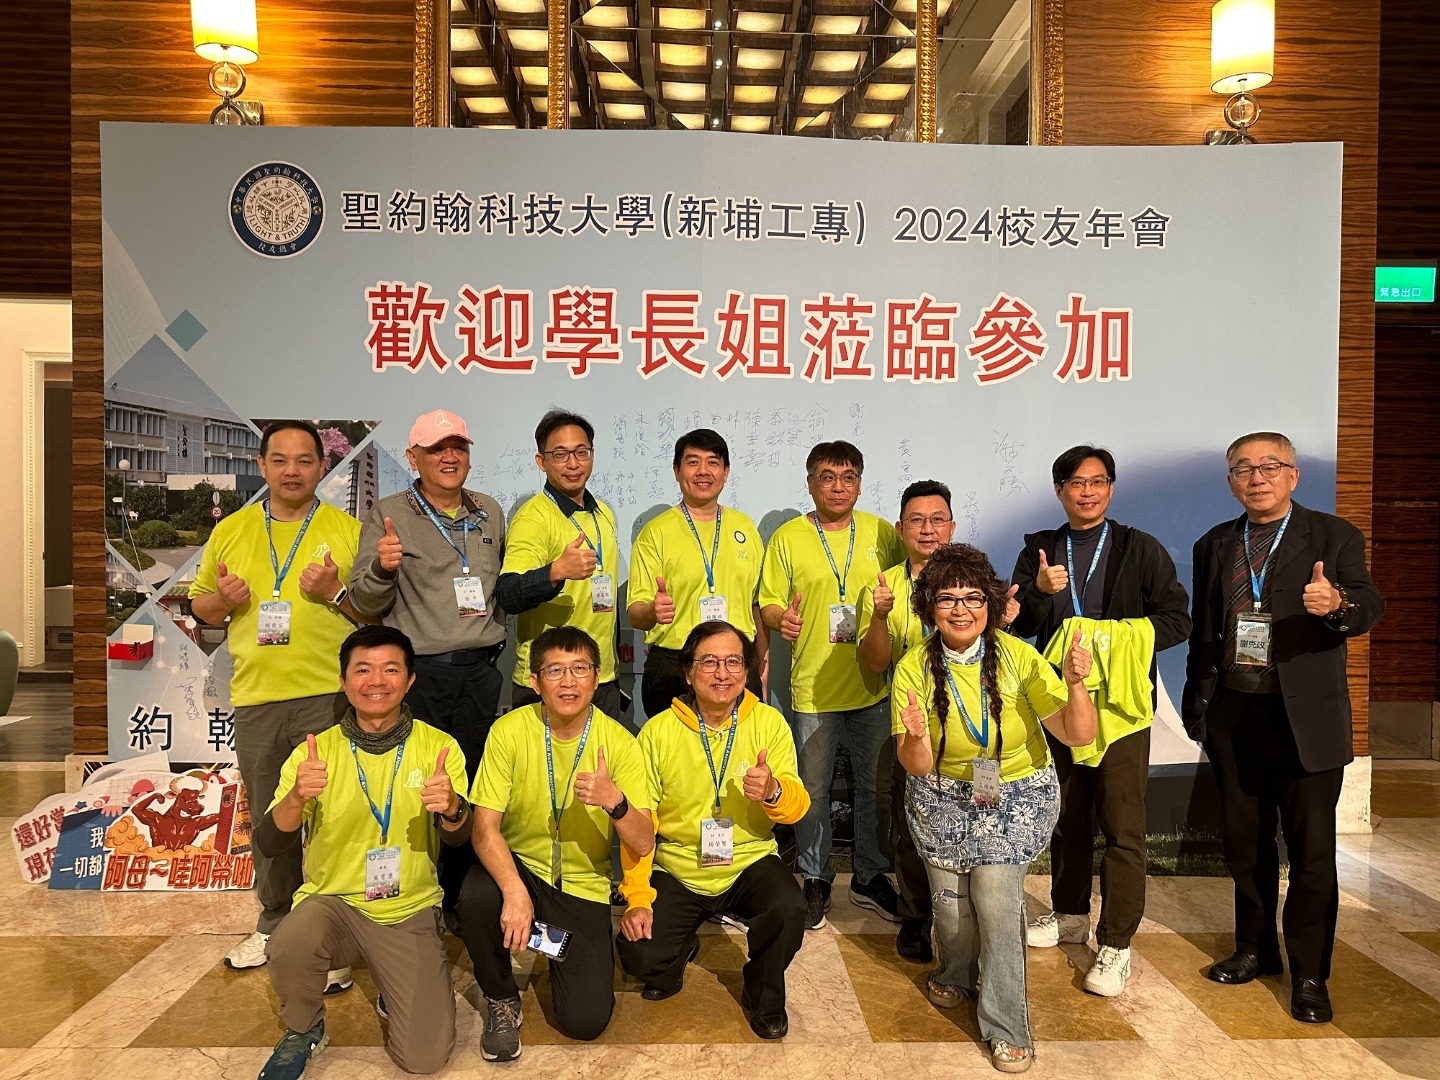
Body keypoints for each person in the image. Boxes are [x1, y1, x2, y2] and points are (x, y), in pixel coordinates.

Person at [1182, 432, 1383, 1024]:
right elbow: (1206, 632)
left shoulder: (1334, 535)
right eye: (1243, 469)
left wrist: (1337, 604)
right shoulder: (1214, 543)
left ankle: (1310, 974)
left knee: (1311, 851)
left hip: (1306, 718)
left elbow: (1370, 605)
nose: (1257, 477)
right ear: (1231, 483)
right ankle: (1254, 949)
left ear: (1293, 476)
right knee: (1245, 845)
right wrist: (1199, 706)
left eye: (1270, 466)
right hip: (1234, 713)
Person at [893, 544, 1096, 1073]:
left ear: (991, 604)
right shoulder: (913, 667)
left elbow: (1077, 734)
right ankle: (956, 973)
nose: (961, 609)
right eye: (947, 598)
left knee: (996, 903)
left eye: (973, 597)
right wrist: (914, 735)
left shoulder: (1019, 657)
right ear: (929, 606)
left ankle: (1007, 1026)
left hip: (1014, 796)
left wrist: (1076, 686)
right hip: (941, 795)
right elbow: (917, 764)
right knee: (951, 911)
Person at [189, 419, 367, 986]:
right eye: (280, 460)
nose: (293, 470)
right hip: (258, 697)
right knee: (272, 817)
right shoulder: (232, 530)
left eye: (305, 460)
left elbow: (374, 615)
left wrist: (333, 592)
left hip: (329, 695)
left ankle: (333, 933)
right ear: (262, 466)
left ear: (322, 466)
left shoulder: (347, 530)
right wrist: (223, 599)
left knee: (334, 816)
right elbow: (201, 609)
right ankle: (273, 922)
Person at [1009, 446, 1191, 997]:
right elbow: (1018, 626)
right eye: (1076, 483)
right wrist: (1040, 593)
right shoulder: (1039, 550)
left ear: (1110, 488)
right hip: (1057, 702)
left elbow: (1176, 620)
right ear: (1059, 490)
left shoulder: (1141, 548)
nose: (1087, 492)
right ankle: (1069, 915)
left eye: (1097, 482)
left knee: (1122, 827)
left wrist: (1110, 641)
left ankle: (1115, 944)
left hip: (1120, 710)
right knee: (1066, 817)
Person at [254, 625, 471, 1080]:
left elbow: (457, 840)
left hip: (407, 907)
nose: (376, 681)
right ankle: (304, 1029)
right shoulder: (315, 752)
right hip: (332, 903)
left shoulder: (439, 748)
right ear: (343, 681)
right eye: (363, 670)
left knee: (425, 1060)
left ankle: (396, 991)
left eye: (390, 670)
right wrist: (296, 796)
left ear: (410, 680)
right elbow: (271, 843)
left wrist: (452, 807)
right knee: (290, 942)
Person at [456, 627, 654, 1061]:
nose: (568, 682)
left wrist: (615, 801)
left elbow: (643, 842)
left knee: (585, 1022)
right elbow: (484, 829)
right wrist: (514, 891)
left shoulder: (620, 743)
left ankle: (546, 938)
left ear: (597, 677)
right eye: (555, 671)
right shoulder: (509, 731)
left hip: (582, 883)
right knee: (476, 897)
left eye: (580, 669)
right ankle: (501, 998)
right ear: (534, 681)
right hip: (521, 867)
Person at [616, 620, 809, 1040]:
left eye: (733, 662)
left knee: (789, 908)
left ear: (747, 670)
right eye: (709, 662)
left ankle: (763, 993)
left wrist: (773, 791)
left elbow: (796, 807)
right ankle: (680, 948)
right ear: (687, 672)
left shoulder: (769, 724)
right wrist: (637, 898)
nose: (722, 673)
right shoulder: (657, 732)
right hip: (678, 866)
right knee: (639, 954)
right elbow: (640, 826)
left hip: (749, 861)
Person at [759, 441, 907, 929]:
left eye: (848, 477)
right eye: (827, 477)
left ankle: (870, 875)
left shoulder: (882, 533)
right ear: (810, 483)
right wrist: (781, 620)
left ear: (860, 484)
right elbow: (769, 601)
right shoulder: (787, 538)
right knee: (813, 792)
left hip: (873, 685)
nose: (838, 487)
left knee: (875, 790)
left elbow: (909, 580)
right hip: (814, 690)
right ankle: (816, 877)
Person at [350, 409, 507, 779]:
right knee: (418, 778)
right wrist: (382, 568)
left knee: (474, 777)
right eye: (436, 449)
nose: (449, 457)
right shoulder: (389, 514)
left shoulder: (489, 511)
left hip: (482, 673)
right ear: (413, 457)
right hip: (421, 676)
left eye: (459, 447)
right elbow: (363, 602)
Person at [856, 480, 959, 960]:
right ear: (900, 529)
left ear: (952, 527)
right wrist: (879, 617)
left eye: (937, 520)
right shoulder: (882, 587)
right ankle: (917, 915)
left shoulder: (972, 581)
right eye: (917, 520)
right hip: (909, 717)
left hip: (966, 721)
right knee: (910, 817)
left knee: (967, 814)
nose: (927, 529)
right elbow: (877, 663)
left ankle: (966, 912)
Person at [628, 429, 766, 719]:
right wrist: (653, 611)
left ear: (726, 472)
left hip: (735, 664)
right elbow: (636, 614)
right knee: (671, 748)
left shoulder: (745, 528)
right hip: (675, 664)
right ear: (677, 471)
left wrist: (760, 664)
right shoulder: (655, 532)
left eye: (713, 462)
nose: (703, 471)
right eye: (693, 462)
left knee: (740, 746)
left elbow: (757, 604)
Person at [494, 409, 622, 719]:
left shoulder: (602, 512)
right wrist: (555, 572)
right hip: (549, 681)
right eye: (561, 454)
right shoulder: (533, 517)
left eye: (581, 452)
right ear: (541, 462)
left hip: (601, 676)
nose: (573, 463)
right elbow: (508, 593)